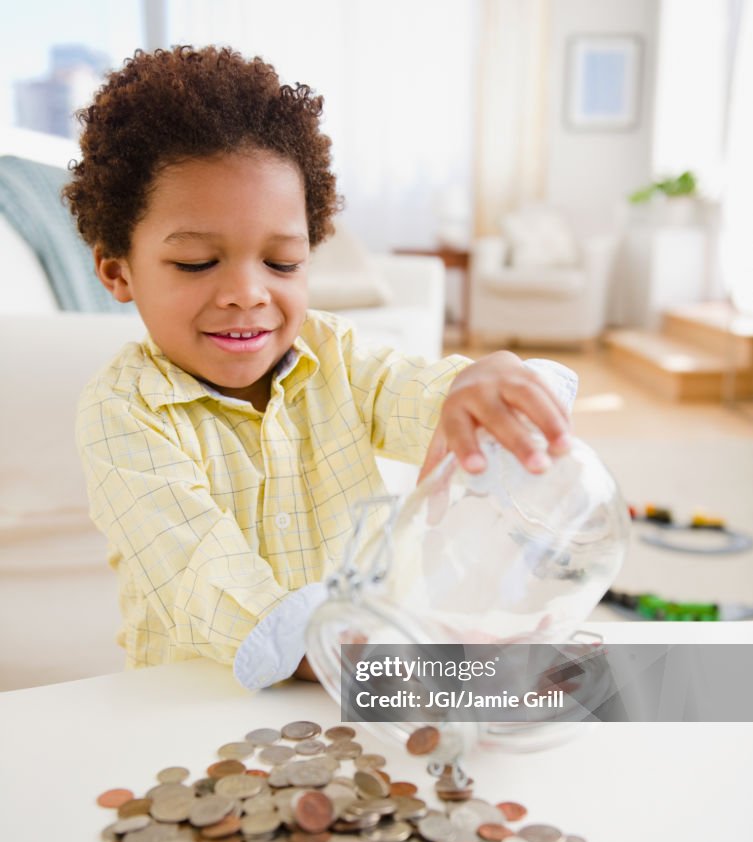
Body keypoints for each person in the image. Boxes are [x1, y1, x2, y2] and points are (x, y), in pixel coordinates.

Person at [66, 45, 576, 691]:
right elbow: (200, 574)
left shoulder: (332, 352)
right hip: (202, 699)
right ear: (117, 270)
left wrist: (482, 388)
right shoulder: (123, 413)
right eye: (196, 263)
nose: (248, 293)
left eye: (281, 263)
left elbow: (420, 394)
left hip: (358, 680)